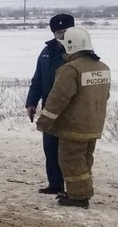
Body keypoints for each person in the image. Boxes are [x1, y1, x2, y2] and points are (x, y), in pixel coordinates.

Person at [36, 26, 111, 208]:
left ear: (71, 45)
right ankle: (83, 190)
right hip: (93, 124)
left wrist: (44, 121)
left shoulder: (70, 69)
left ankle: (78, 197)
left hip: (73, 127)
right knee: (85, 160)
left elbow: (58, 99)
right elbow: (104, 96)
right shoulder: (102, 67)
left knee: (71, 160)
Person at [26, 14, 73, 194]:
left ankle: (74, 188)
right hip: (49, 107)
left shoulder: (79, 53)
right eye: (58, 31)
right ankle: (55, 184)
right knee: (51, 148)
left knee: (69, 151)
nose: (61, 35)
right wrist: (31, 102)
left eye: (65, 31)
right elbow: (37, 79)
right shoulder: (45, 53)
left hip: (71, 109)